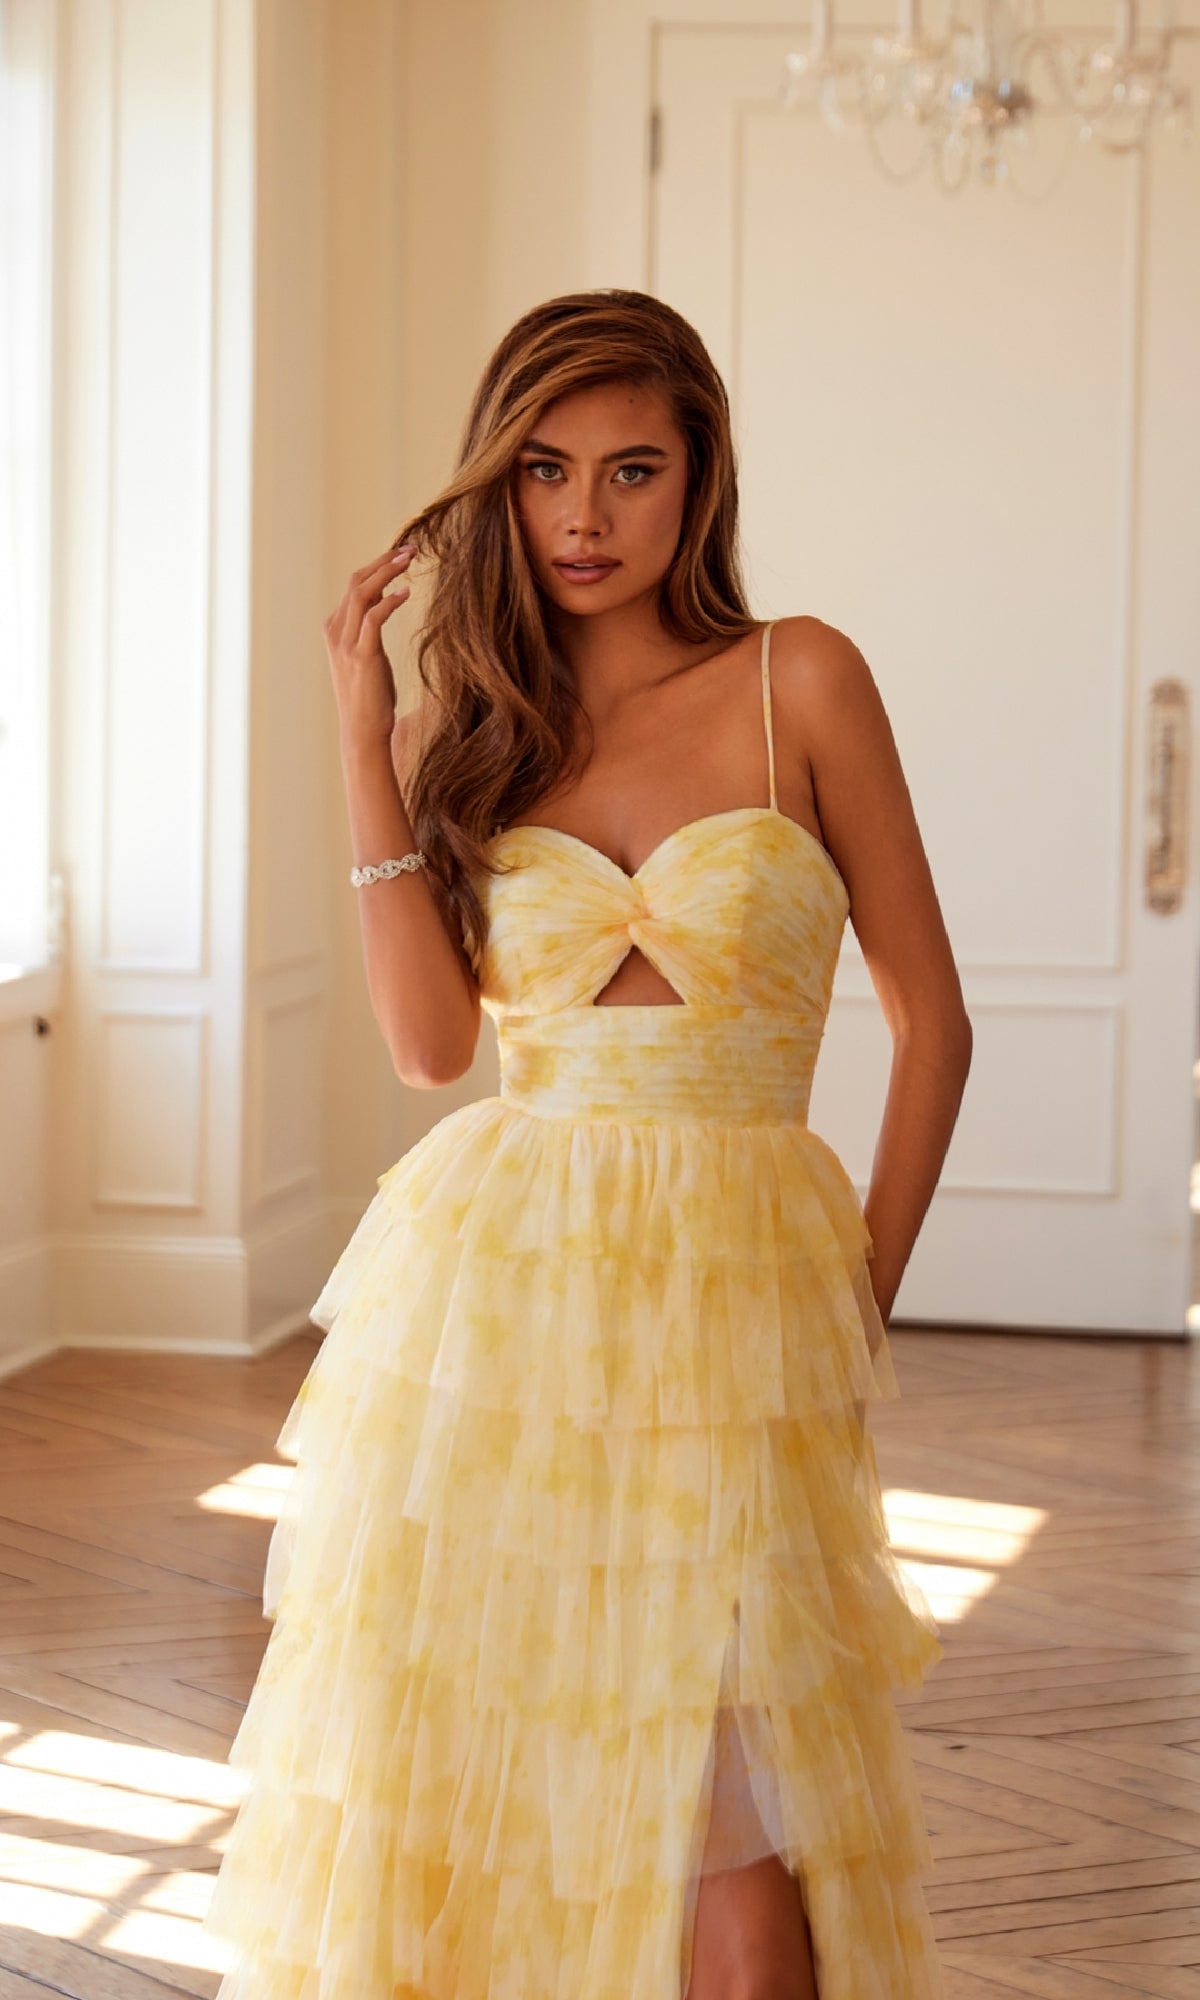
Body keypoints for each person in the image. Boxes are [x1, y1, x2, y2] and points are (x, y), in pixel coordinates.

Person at [205, 289, 972, 2000]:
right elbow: (428, 1050)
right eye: (546, 470)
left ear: (701, 480)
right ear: (501, 485)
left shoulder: (803, 681)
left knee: (729, 1792)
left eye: (633, 470)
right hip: (502, 1309)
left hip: (741, 1300)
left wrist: (861, 1303)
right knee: (515, 1758)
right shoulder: (460, 734)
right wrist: (360, 735)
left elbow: (935, 1022)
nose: (583, 515)